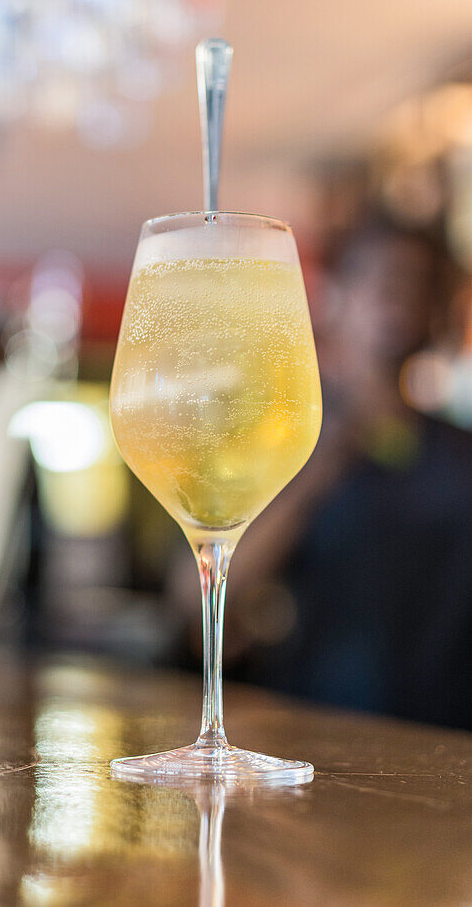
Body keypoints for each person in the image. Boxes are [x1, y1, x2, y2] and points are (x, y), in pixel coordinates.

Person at [219, 215, 472, 729]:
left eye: (415, 280)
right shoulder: (286, 435)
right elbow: (199, 593)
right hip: (317, 733)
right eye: (380, 276)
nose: (396, 293)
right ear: (337, 295)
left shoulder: (459, 452)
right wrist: (325, 463)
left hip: (446, 737)